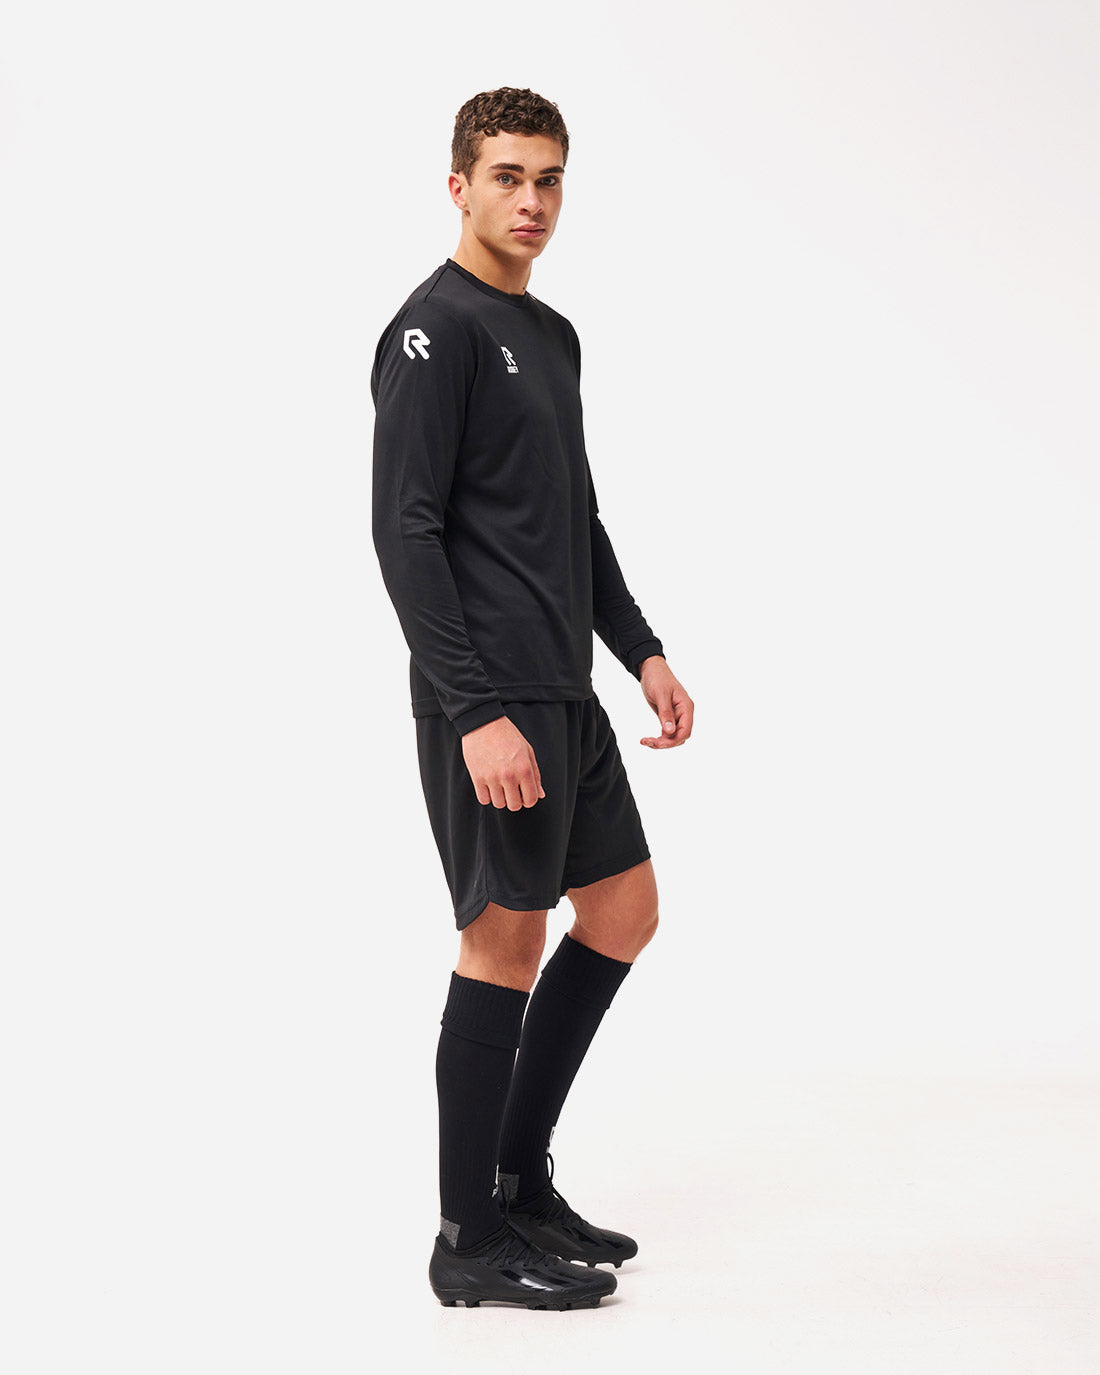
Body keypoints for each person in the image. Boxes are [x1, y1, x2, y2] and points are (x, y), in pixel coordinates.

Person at [370, 87, 694, 1310]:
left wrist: (640, 650)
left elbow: (574, 516)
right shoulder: (431, 331)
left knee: (622, 909)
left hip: (563, 685)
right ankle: (467, 1236)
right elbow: (403, 532)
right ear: (458, 186)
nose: (531, 200)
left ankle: (516, 1178)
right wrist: (473, 713)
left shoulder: (551, 335)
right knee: (501, 940)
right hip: (492, 694)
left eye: (548, 178)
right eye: (507, 176)